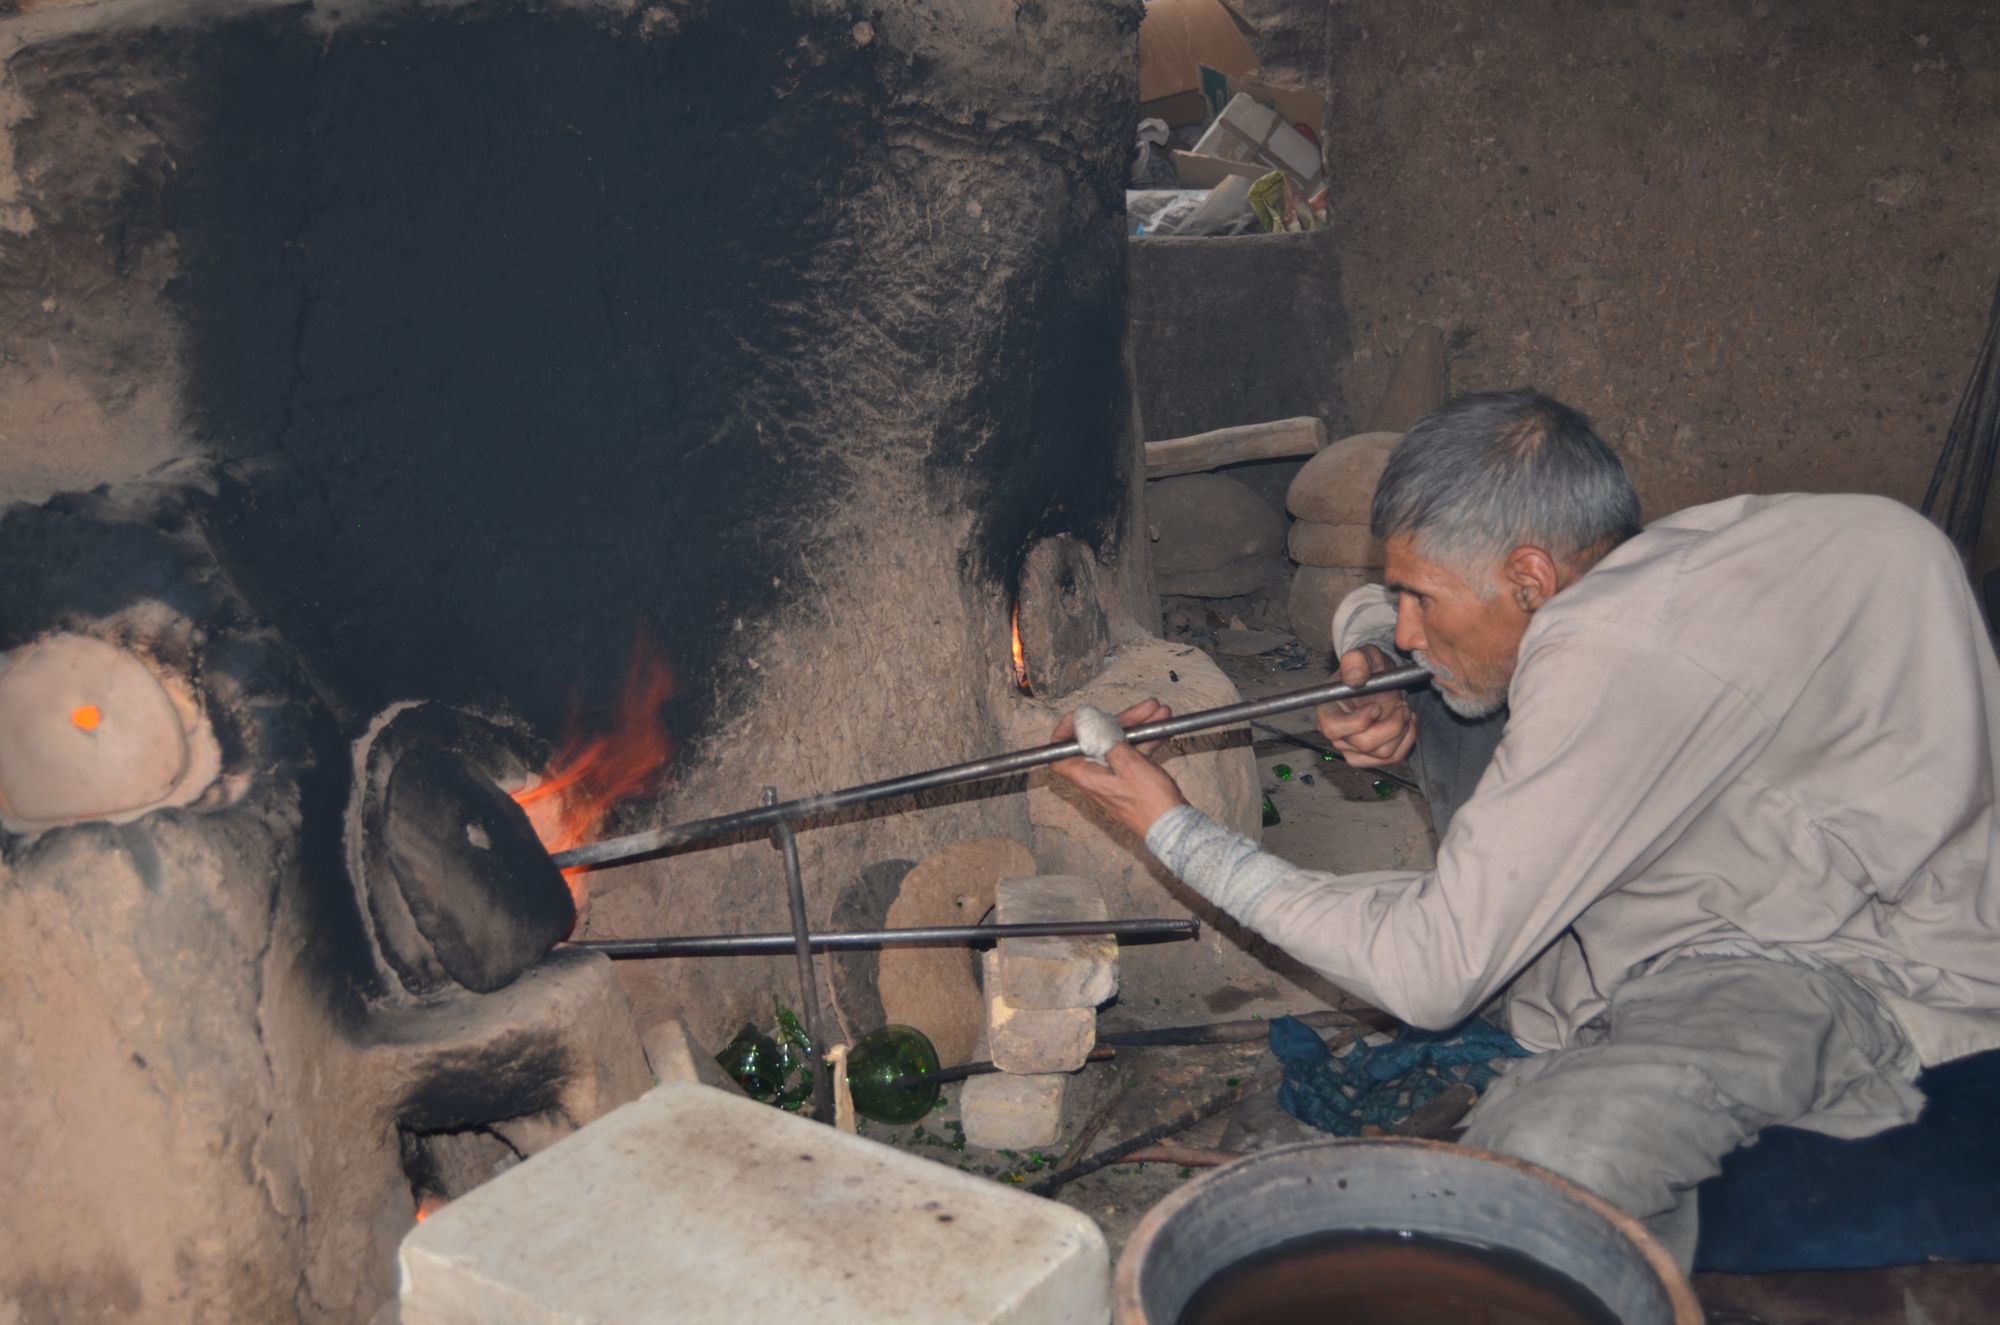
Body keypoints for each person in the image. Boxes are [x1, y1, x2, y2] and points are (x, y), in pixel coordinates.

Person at [1052, 389, 2000, 1264]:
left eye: (1423, 600)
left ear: (1533, 576)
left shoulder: (1616, 652)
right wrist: (1370, 650)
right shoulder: (1642, 564)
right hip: (1771, 867)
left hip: (1832, 965)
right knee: (1459, 704)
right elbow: (1387, 604)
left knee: (1530, 1165)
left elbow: (1427, 973)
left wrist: (1175, 830)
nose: (1409, 628)